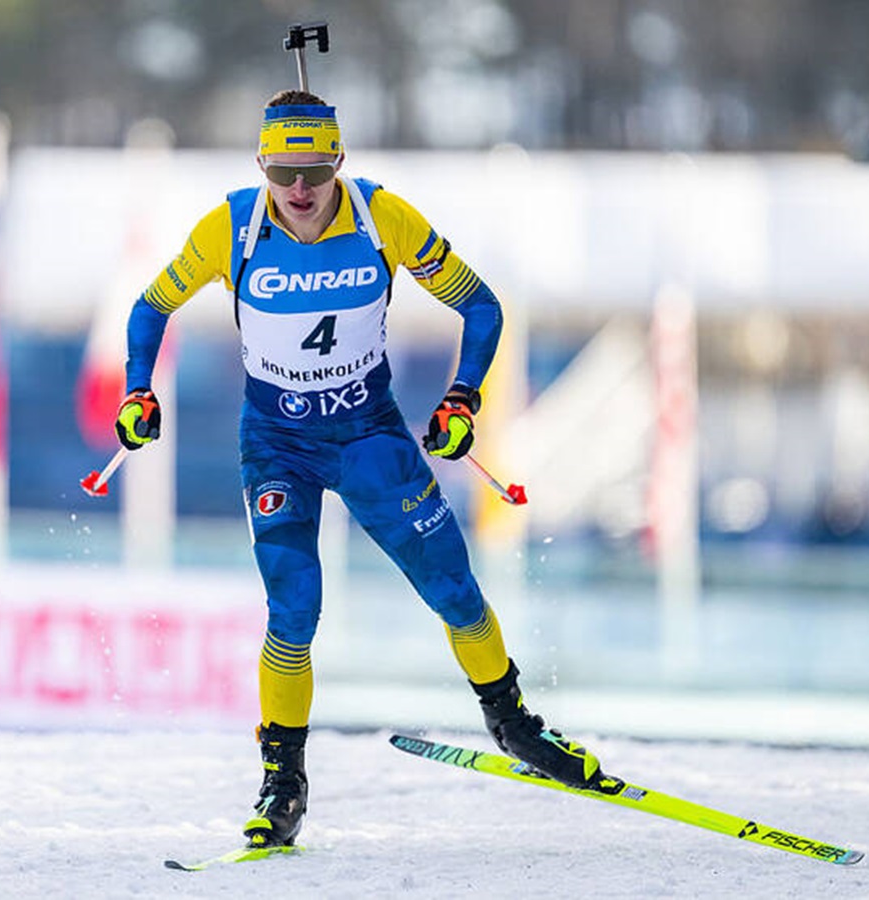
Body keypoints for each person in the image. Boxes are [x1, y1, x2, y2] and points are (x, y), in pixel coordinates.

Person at [114, 90, 604, 848]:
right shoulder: (232, 226)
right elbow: (150, 307)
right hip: (277, 443)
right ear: (261, 166)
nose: (299, 191)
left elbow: (481, 306)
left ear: (339, 160)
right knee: (294, 611)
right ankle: (284, 782)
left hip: (369, 436)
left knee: (453, 587)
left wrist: (462, 400)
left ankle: (512, 724)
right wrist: (138, 388)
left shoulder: (382, 218)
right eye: (283, 172)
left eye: (313, 170)